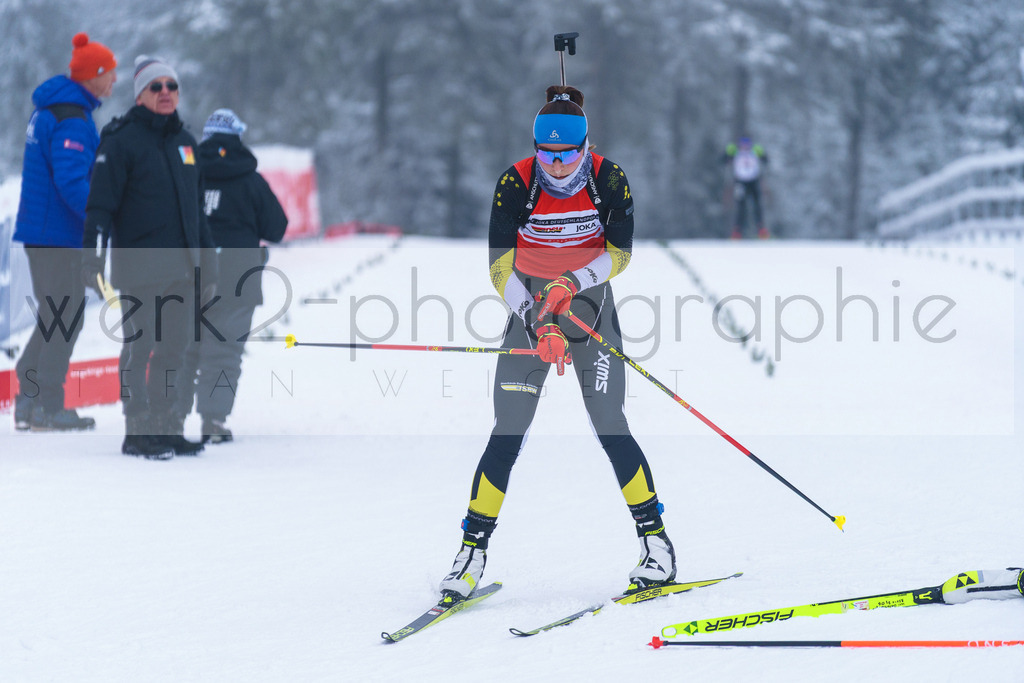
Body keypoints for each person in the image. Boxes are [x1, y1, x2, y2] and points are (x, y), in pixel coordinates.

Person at [438, 85, 677, 600]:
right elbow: (500, 268)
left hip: (589, 308)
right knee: (509, 426)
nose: (559, 164)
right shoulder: (515, 183)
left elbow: (621, 254)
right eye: (547, 153)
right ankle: (470, 553)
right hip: (530, 309)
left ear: (585, 146)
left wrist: (571, 283)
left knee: (610, 421)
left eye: (568, 153)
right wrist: (537, 320)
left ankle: (656, 545)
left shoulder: (609, 179)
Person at [82, 55, 216, 460]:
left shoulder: (187, 144)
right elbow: (100, 205)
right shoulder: (120, 140)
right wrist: (92, 256)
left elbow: (197, 212)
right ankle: (137, 430)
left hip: (182, 269)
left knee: (174, 349)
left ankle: (167, 426)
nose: (165, 93)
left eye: (171, 86)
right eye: (156, 86)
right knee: (140, 348)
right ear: (140, 94)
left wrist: (208, 265)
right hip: (139, 266)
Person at [12, 33, 117, 432]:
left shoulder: (54, 110)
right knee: (64, 317)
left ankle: (30, 399)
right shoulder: (72, 116)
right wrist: (100, 215)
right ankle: (47, 406)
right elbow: (72, 182)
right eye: (110, 74)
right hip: (57, 235)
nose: (114, 83)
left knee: (56, 315)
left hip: (46, 233)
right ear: (94, 76)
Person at [172, 109, 287, 444]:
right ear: (238, 137)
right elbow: (277, 228)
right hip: (239, 277)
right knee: (224, 351)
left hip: (190, 271)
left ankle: (172, 416)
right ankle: (213, 420)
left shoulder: (188, 175)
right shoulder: (251, 180)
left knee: (183, 348)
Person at [723, 136, 769, 239]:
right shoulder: (736, 152)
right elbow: (723, 160)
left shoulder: (754, 151)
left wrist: (762, 153)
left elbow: (766, 160)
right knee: (741, 208)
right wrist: (728, 153)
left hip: (754, 181)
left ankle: (761, 230)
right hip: (740, 182)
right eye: (743, 144)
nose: (745, 146)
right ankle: (737, 232)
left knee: (757, 206)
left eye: (747, 144)